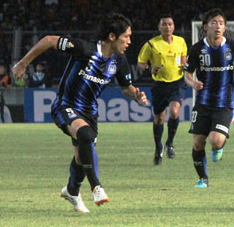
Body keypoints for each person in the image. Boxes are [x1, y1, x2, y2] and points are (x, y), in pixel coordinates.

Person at [12, 12, 148, 213]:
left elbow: (126, 87)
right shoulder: (85, 49)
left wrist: (136, 95)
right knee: (86, 136)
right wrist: (23, 63)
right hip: (65, 105)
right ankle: (97, 187)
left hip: (89, 113)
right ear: (112, 36)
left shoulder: (119, 61)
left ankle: (72, 191)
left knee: (81, 156)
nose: (129, 41)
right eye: (126, 36)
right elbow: (49, 40)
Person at [184, 8, 234, 188]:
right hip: (203, 102)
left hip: (225, 102)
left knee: (215, 140)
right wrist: (193, 83)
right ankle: (202, 178)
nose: (218, 26)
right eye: (214, 23)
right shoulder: (197, 49)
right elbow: (187, 74)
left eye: (221, 23)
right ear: (205, 27)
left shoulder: (233, 47)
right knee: (198, 142)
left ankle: (218, 147)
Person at [137, 14, 187, 165]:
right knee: (159, 118)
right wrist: (150, 68)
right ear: (159, 27)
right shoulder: (152, 44)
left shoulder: (181, 41)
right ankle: (158, 147)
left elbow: (184, 59)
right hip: (159, 85)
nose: (167, 27)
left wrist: (186, 66)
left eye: (170, 24)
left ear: (174, 26)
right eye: (164, 24)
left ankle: (169, 143)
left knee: (174, 112)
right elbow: (140, 63)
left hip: (176, 82)